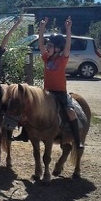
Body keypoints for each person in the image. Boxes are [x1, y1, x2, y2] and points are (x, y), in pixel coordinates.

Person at [16, 16, 84, 149]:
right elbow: (40, 44)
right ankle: (25, 133)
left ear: (58, 48)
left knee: (70, 111)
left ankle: (77, 139)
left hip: (60, 93)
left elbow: (68, 45)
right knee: (29, 106)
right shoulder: (47, 58)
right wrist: (41, 29)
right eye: (48, 45)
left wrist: (68, 29)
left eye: (50, 46)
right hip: (47, 92)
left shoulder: (62, 59)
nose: (47, 47)